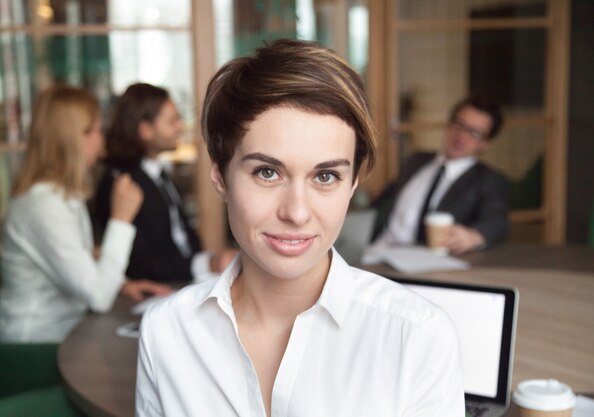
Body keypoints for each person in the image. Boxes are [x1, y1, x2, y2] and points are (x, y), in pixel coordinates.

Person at [136, 39, 463, 416]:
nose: (297, 212)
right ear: (221, 178)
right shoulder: (166, 332)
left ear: (353, 184)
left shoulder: (417, 336)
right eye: (267, 172)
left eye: (325, 176)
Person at [0, 85, 171, 343]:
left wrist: (121, 285)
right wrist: (121, 219)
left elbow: (76, 263)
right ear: (71, 138)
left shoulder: (62, 197)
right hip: (33, 347)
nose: (101, 141)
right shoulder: (42, 207)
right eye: (96, 130)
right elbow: (98, 297)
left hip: (69, 333)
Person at [93, 83, 237, 283]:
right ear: (145, 130)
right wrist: (207, 263)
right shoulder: (121, 183)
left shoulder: (159, 174)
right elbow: (137, 264)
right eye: (172, 120)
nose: (180, 126)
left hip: (187, 282)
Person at [371, 96, 508, 254]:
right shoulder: (416, 161)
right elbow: (379, 204)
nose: (462, 136)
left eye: (474, 133)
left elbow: (498, 222)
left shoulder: (488, 179)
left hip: (428, 262)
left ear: (485, 144)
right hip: (379, 250)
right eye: (459, 125)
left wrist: (474, 236)